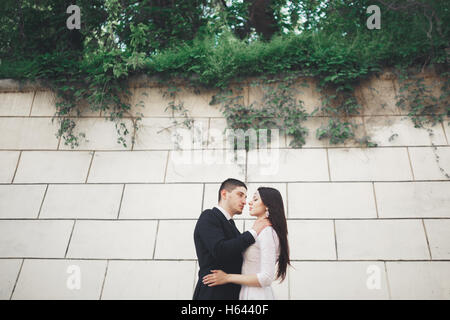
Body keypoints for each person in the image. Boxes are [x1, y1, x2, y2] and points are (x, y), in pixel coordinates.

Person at [202, 187, 290, 300]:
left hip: (257, 295)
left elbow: (266, 278)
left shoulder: (267, 232)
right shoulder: (260, 231)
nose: (249, 202)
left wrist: (227, 277)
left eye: (255, 199)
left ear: (267, 205)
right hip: (247, 292)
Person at [193, 178, 272, 300]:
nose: (245, 201)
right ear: (224, 194)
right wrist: (253, 232)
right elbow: (220, 250)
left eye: (246, 197)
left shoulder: (232, 226)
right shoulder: (209, 216)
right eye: (240, 195)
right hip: (212, 294)